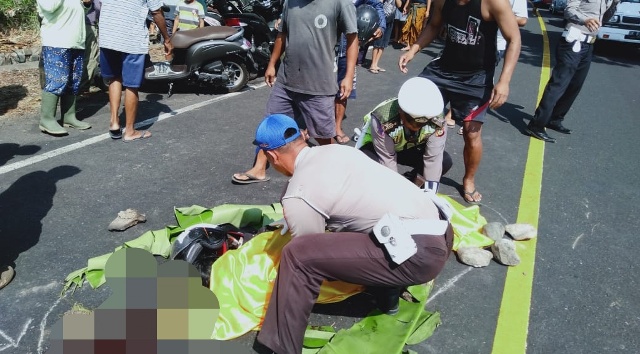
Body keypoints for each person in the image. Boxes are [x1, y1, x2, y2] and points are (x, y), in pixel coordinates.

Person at [252, 114, 453, 354]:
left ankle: (279, 346)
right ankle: (387, 294)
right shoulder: (338, 151)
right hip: (441, 230)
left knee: (298, 257)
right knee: (357, 226)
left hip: (417, 255)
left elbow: (312, 248)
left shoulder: (299, 194)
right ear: (302, 136)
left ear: (272, 156)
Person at [399, 0, 521, 204]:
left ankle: (469, 179)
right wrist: (413, 50)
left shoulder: (493, 3)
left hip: (476, 77)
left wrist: (504, 81)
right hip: (443, 70)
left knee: (471, 131)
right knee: (414, 109)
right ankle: (418, 165)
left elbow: (514, 38)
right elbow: (434, 25)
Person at [231, 0, 358, 184]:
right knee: (271, 126)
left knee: (323, 136)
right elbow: (282, 34)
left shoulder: (340, 3)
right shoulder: (291, 2)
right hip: (287, 79)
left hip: (319, 83)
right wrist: (272, 64)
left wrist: (348, 76)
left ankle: (337, 177)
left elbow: (353, 39)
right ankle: (259, 169)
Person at [526, 0, 618, 143]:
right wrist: (585, 19)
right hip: (572, 42)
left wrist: (614, 3)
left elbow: (603, 19)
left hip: (588, 45)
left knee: (576, 85)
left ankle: (555, 119)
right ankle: (536, 125)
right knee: (558, 84)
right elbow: (569, 10)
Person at [359, 77, 452, 191]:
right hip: (379, 149)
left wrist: (431, 192)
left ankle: (412, 184)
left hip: (409, 147)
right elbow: (387, 159)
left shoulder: (438, 120)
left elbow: (433, 158)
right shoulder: (382, 119)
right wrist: (397, 191)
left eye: (421, 124)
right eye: (411, 122)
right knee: (366, 165)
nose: (416, 127)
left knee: (444, 160)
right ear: (400, 111)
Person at [99, 0, 173, 141]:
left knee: (114, 78)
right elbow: (157, 12)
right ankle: (130, 131)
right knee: (131, 85)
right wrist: (167, 39)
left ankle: (114, 123)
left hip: (107, 36)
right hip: (131, 38)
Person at [36, 0, 94, 136]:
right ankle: (47, 119)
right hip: (56, 41)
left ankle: (69, 116)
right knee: (56, 81)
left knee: (73, 82)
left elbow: (79, 11)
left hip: (76, 42)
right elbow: (50, 7)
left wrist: (86, 5)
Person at [335, 1, 385, 145]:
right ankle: (310, 126)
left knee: (342, 88)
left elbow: (376, 5)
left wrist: (380, 26)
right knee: (318, 87)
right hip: (323, 41)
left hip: (348, 43)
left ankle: (337, 127)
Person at [369, 0, 398, 74]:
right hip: (382, 19)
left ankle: (376, 64)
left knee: (384, 44)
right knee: (377, 43)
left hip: (390, 20)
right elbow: (379, 2)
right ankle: (372, 65)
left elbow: (400, 5)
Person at [79, 0, 101, 93]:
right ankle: (83, 86)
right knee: (90, 57)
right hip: (87, 25)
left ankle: (82, 85)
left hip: (87, 24)